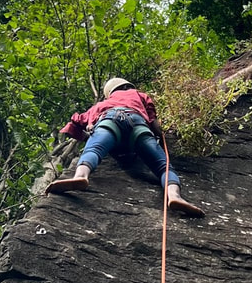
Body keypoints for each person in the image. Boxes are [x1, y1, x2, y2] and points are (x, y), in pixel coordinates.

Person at [45, 77, 205, 217]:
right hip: (138, 124)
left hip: (109, 121)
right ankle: (174, 196)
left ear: (111, 92)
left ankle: (80, 176)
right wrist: (161, 134)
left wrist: (87, 133)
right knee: (163, 166)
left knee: (93, 150)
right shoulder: (140, 95)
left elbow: (76, 122)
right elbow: (154, 123)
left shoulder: (102, 103)